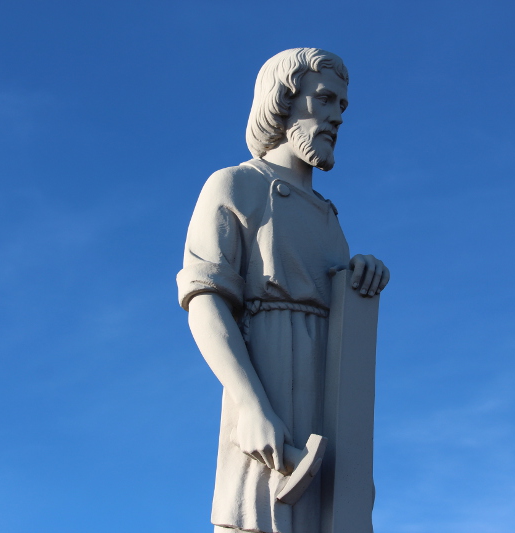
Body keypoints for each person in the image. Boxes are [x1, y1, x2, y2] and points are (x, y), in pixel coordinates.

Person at [177, 48, 390, 533]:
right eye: (325, 99)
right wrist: (251, 407)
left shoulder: (331, 220)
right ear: (283, 100)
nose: (337, 117)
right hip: (270, 384)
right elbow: (206, 301)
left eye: (342, 106)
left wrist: (359, 276)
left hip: (328, 397)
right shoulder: (235, 184)